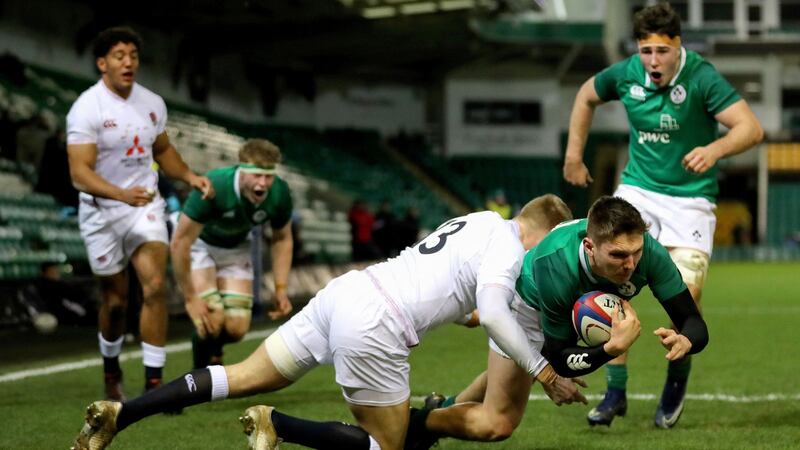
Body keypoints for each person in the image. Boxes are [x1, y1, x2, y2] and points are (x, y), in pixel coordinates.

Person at [71, 194, 574, 450]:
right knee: (387, 447)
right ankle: (278, 425)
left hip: (350, 291)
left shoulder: (484, 221)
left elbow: (454, 280)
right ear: (543, 234)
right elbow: (492, 311)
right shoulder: (510, 252)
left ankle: (122, 414)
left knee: (238, 375)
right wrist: (547, 373)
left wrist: (468, 311)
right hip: (378, 325)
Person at [562, 3, 762, 428]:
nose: (653, 61)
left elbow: (750, 128)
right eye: (646, 50)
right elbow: (585, 96)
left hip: (690, 201)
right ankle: (615, 391)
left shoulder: (702, 78)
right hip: (638, 192)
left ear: (678, 46)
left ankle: (675, 384)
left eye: (662, 51)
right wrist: (573, 156)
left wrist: (714, 149)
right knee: (610, 288)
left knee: (685, 297)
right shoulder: (626, 73)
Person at [404, 196, 709, 448]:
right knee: (499, 423)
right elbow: (560, 359)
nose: (630, 264)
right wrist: (610, 350)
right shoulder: (556, 264)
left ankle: (438, 409)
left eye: (636, 252)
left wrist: (687, 339)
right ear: (590, 247)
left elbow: (692, 320)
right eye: (618, 255)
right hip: (527, 307)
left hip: (574, 301)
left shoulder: (649, 255)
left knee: (506, 377)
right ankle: (417, 424)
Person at [66, 27, 213, 401]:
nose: (128, 62)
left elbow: (163, 151)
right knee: (115, 302)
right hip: (101, 211)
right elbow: (79, 173)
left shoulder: (152, 103)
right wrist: (119, 194)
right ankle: (111, 369)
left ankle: (154, 382)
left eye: (133, 55)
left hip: (144, 206)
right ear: (102, 64)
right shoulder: (86, 108)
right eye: (119, 55)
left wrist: (190, 176)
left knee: (155, 287)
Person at [170, 138, 294, 370]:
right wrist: (190, 298)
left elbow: (282, 238)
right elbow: (180, 242)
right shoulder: (215, 185)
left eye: (268, 177)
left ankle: (215, 349)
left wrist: (281, 288)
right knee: (211, 319)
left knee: (236, 329)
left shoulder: (280, 193)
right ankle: (197, 378)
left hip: (236, 248)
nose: (263, 183)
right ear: (241, 170)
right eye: (257, 176)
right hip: (200, 245)